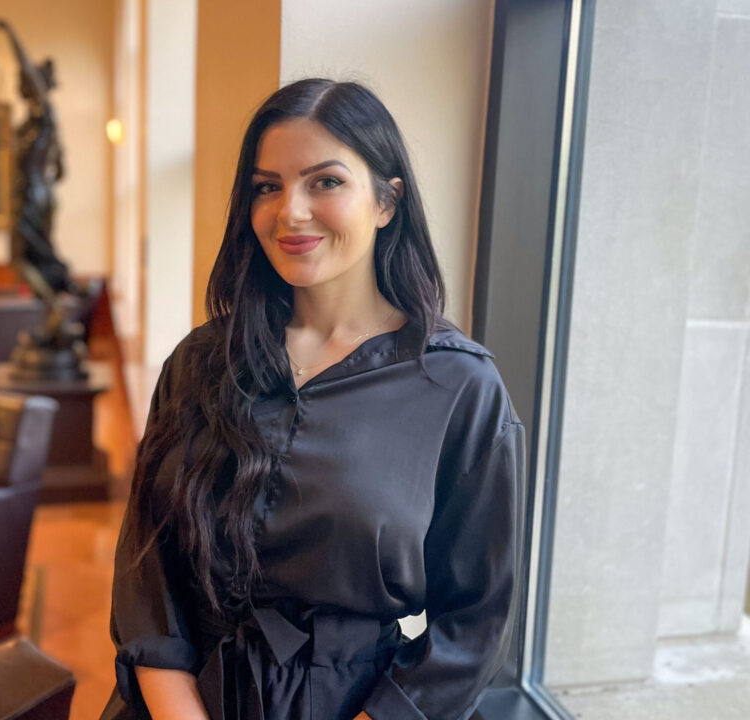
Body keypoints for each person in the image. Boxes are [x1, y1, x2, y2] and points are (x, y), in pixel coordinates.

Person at [102, 78, 526, 720]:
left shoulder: (459, 387)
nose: (289, 212)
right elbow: (146, 572)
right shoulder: (199, 362)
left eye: (325, 182)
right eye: (266, 186)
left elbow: (476, 619)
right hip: (178, 702)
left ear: (387, 202)